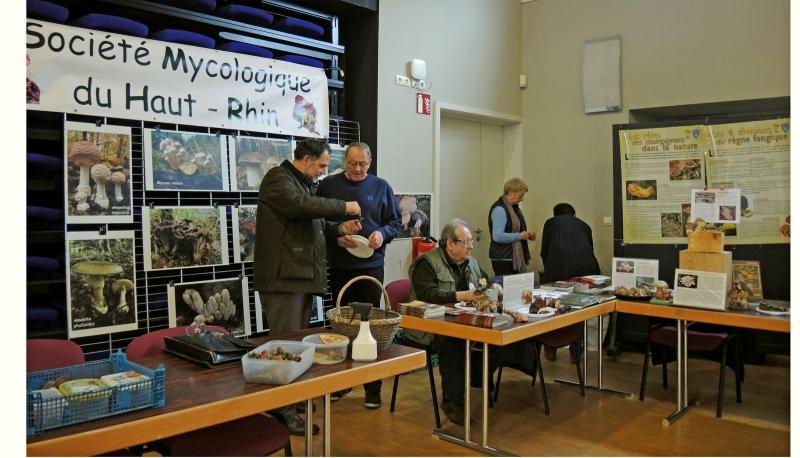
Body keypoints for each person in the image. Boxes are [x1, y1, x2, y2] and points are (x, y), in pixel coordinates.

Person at [254, 138, 362, 435]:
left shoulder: (301, 184)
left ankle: (291, 400)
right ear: (306, 159)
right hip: (283, 280)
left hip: (297, 276)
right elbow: (300, 206)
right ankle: (283, 409)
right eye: (322, 166)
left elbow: (313, 222)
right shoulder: (277, 178)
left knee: (296, 344)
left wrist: (339, 230)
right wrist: (343, 206)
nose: (324, 172)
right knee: (284, 345)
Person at [317, 142, 403, 409]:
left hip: (371, 266)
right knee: (341, 325)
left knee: (369, 327)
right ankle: (341, 383)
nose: (357, 169)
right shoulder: (328, 185)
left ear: (370, 162)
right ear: (344, 161)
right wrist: (337, 236)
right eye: (352, 163)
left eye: (362, 164)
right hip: (339, 265)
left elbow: (396, 223)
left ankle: (372, 388)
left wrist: (383, 234)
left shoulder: (381, 186)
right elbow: (318, 222)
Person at [408, 218, 503, 425]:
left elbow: (485, 281)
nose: (470, 246)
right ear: (450, 243)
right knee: (454, 342)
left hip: (465, 320)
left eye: (471, 242)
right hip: (430, 326)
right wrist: (463, 296)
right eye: (466, 242)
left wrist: (494, 286)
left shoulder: (471, 262)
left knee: (499, 336)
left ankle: (476, 378)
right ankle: (452, 401)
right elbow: (427, 294)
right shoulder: (427, 263)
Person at [539, 202, 600, 361]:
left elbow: (544, 250)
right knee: (579, 308)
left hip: (558, 267)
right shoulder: (584, 225)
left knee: (552, 306)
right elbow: (590, 249)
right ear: (573, 214)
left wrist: (549, 268)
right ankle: (576, 352)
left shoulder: (551, 223)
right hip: (585, 269)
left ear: (555, 214)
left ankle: (551, 349)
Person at [488, 177, 536, 276]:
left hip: (512, 257)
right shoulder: (499, 209)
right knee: (506, 286)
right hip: (504, 259)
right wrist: (520, 236)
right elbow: (497, 236)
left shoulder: (513, 208)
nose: (522, 199)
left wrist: (528, 235)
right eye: (521, 195)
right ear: (512, 193)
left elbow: (515, 230)